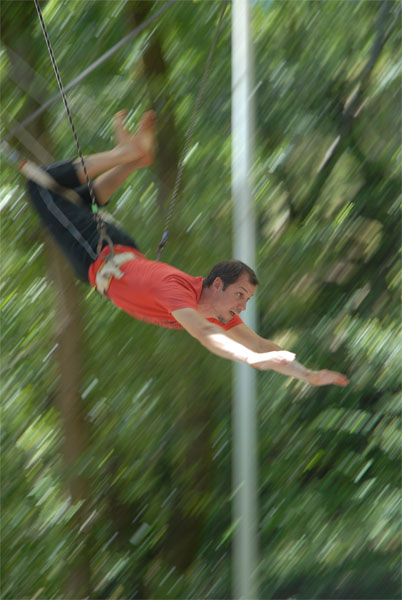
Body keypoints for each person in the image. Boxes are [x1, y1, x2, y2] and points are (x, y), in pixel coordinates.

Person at [27, 110, 349, 387]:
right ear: (217, 285)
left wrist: (306, 374)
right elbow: (206, 334)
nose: (242, 307)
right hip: (96, 252)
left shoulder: (213, 308)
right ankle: (126, 154)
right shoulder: (179, 294)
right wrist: (249, 359)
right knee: (40, 184)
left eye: (246, 300)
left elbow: (261, 345)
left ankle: (133, 157)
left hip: (114, 251)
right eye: (240, 295)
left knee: (74, 200)